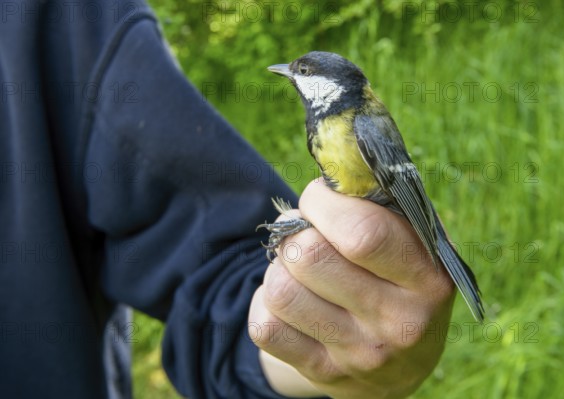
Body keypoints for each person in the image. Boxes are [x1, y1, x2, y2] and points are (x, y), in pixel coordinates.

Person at [0, 0, 455, 398]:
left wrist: (333, 336)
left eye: (302, 71)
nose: (289, 75)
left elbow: (224, 279)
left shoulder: (64, 22)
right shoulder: (328, 124)